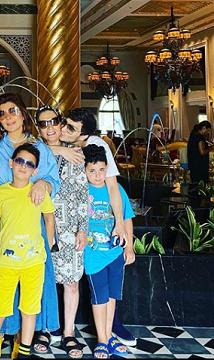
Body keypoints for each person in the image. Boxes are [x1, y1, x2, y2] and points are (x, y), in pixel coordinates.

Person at [0, 93, 61, 358]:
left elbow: (53, 181)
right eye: (2, 113)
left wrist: (43, 184)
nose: (9, 117)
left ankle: (22, 344)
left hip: (30, 225)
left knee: (29, 289)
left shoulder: (39, 147)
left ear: (23, 113)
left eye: (13, 111)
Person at [59, 108, 136, 346]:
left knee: (110, 292)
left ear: (84, 136)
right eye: (64, 123)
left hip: (106, 245)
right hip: (73, 232)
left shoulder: (97, 146)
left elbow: (112, 187)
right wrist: (60, 149)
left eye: (70, 127)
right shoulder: (58, 141)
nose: (62, 129)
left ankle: (109, 331)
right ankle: (64, 328)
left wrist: (121, 228)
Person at [33, 105, 88, 358]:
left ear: (60, 123)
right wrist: (58, 150)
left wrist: (82, 229)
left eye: (53, 121)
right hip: (39, 225)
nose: (49, 127)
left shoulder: (76, 153)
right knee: (43, 281)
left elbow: (82, 193)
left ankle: (68, 332)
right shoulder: (34, 150)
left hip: (69, 228)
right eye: (43, 124)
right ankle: (44, 329)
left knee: (71, 282)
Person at [81, 145, 134, 359]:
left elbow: (127, 218)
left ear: (107, 169)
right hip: (93, 256)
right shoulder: (82, 190)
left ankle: (109, 334)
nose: (97, 175)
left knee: (112, 296)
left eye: (102, 170)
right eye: (92, 171)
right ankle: (102, 339)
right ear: (84, 170)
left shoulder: (116, 190)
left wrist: (129, 246)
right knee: (99, 298)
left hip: (115, 254)